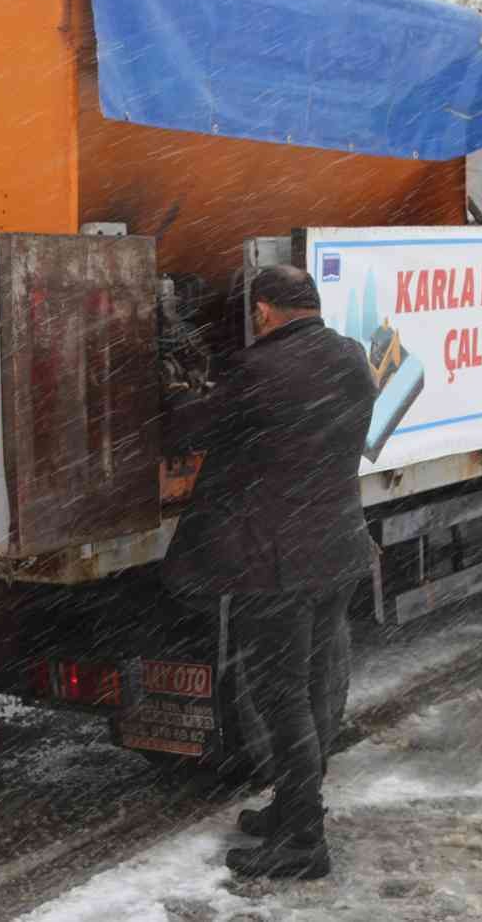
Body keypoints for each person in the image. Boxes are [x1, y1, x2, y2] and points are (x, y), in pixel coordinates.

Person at [161, 263, 377, 880]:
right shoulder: (350, 357)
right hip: (335, 549)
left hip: (273, 564)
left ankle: (305, 841)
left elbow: (190, 428)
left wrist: (171, 384)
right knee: (307, 693)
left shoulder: (258, 370)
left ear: (262, 312)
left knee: (281, 699)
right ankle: (293, 806)